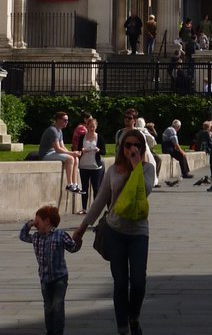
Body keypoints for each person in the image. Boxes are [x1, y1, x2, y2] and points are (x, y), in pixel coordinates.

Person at [74, 128, 154, 335]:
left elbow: (145, 190)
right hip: (115, 230)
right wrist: (82, 228)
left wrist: (137, 164)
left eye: (136, 144)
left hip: (138, 232)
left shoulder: (147, 168)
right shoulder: (113, 170)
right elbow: (100, 200)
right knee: (120, 283)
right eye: (128, 145)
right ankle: (122, 327)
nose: (132, 148)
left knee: (138, 282)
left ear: (142, 147)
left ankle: (134, 315)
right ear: (122, 148)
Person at [20, 204, 80, 335]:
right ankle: (50, 330)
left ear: (47, 221)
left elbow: (73, 248)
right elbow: (23, 236)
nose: (36, 224)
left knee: (57, 305)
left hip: (60, 277)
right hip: (44, 278)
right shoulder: (36, 237)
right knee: (48, 306)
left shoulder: (60, 235)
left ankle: (58, 330)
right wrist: (29, 224)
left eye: (38, 221)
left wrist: (78, 238)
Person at [38, 112, 81, 192]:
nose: (66, 122)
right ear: (58, 120)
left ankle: (75, 184)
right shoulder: (52, 130)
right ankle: (69, 185)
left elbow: (63, 147)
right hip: (46, 154)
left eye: (67, 120)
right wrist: (72, 154)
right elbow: (58, 149)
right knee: (70, 159)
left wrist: (73, 153)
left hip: (54, 153)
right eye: (65, 120)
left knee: (75, 159)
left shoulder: (59, 130)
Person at [78, 116, 105, 213]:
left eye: (93, 126)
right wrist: (82, 150)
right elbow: (78, 150)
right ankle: (84, 208)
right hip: (84, 165)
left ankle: (95, 208)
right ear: (87, 126)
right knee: (84, 188)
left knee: (96, 188)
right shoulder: (82, 137)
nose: (92, 128)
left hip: (95, 166)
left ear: (96, 127)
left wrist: (98, 150)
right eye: (90, 126)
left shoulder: (99, 137)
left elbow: (104, 151)